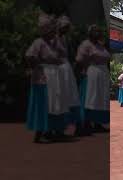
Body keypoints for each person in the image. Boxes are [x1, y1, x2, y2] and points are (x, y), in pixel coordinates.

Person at [25, 13, 69, 143]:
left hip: (54, 75)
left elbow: (63, 53)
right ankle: (40, 132)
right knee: (44, 103)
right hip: (43, 76)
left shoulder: (54, 43)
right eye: (50, 31)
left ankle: (52, 130)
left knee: (55, 103)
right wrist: (36, 67)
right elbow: (29, 56)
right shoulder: (39, 43)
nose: (52, 33)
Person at [76, 24, 110, 133]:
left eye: (98, 31)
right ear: (90, 33)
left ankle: (97, 122)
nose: (97, 33)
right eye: (95, 31)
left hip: (103, 73)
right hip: (92, 73)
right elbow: (79, 60)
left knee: (100, 99)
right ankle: (86, 123)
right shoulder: (86, 45)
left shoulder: (100, 45)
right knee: (90, 98)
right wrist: (83, 70)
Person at [54, 15, 82, 136]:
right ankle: (57, 127)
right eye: (64, 27)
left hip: (66, 69)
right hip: (57, 68)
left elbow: (71, 54)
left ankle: (74, 125)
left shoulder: (66, 39)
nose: (65, 29)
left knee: (70, 96)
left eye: (67, 27)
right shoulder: (53, 39)